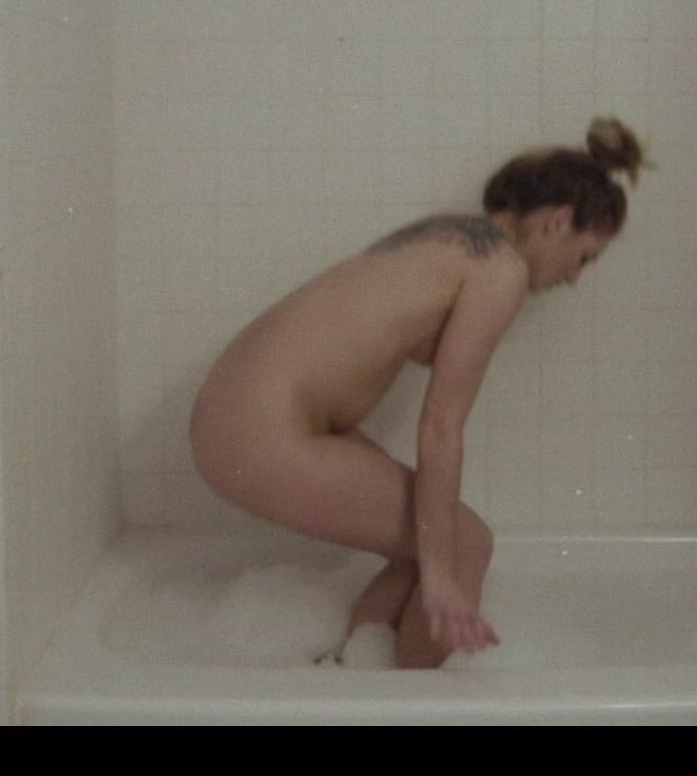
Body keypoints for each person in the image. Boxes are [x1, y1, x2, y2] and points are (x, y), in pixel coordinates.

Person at [189, 116, 648, 669]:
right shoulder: (499, 271)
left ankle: (351, 677)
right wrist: (442, 580)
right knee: (462, 546)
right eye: (585, 256)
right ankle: (415, 703)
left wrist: (434, 568)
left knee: (432, 541)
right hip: (258, 432)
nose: (573, 277)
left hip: (237, 417)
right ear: (558, 222)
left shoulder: (444, 237)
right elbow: (440, 431)